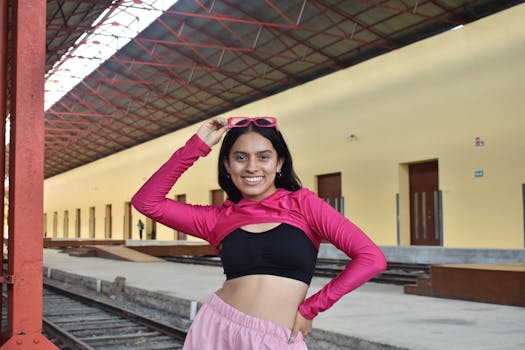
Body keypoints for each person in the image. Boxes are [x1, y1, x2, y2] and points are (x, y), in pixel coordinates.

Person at [131, 116, 386, 349]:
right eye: (240, 158)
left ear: (279, 163)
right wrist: (197, 145)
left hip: (277, 338)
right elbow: (146, 202)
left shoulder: (305, 205)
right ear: (228, 166)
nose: (252, 167)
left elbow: (371, 258)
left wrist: (310, 309)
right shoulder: (218, 219)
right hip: (218, 329)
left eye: (263, 157)